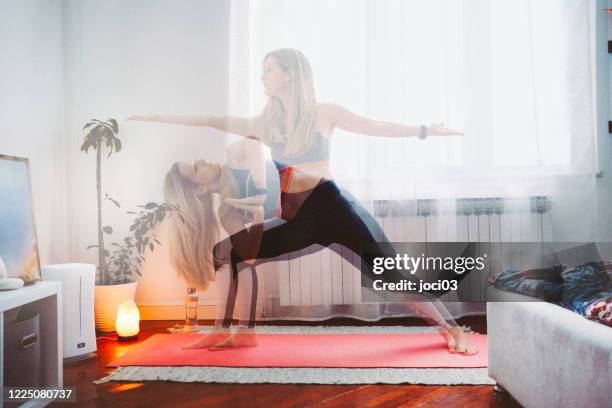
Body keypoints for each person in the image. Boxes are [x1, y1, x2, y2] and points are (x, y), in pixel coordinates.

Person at [131, 48, 477, 355]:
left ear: (289, 73)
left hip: (336, 210)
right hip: (301, 220)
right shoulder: (265, 124)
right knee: (228, 253)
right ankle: (232, 333)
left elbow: (374, 125)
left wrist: (423, 130)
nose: (261, 77)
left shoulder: (324, 113)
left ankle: (452, 330)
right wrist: (156, 117)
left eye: (268, 70)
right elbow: (211, 121)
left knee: (394, 279)